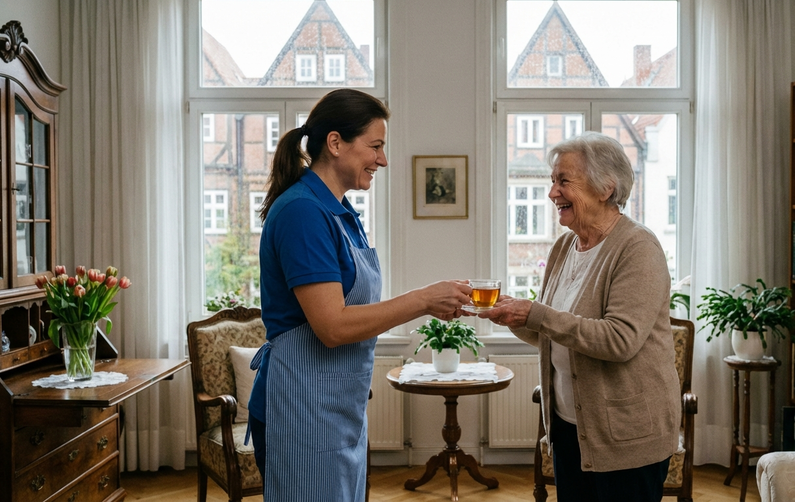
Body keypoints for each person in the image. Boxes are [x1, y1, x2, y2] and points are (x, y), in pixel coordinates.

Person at [247, 89, 471, 502]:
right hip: (301, 407)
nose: (382, 160)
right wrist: (423, 300)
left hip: (335, 405)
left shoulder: (342, 212)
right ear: (335, 143)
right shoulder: (302, 212)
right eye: (375, 146)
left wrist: (430, 300)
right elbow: (332, 326)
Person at [475, 131, 681, 501]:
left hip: (626, 436)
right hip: (569, 429)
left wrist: (535, 313)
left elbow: (619, 340)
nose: (552, 192)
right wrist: (515, 317)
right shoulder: (564, 247)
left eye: (563, 181)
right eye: (552, 181)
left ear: (605, 188)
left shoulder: (638, 247)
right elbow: (554, 333)